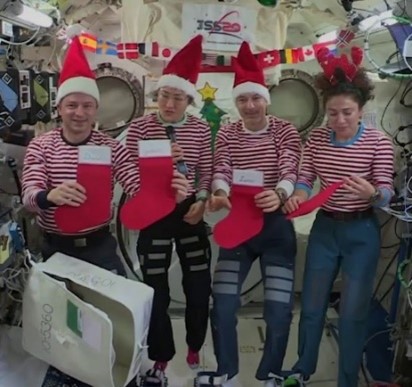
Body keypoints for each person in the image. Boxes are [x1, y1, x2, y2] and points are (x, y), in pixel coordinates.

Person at [21, 36, 188, 387]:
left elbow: (136, 186)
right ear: (59, 108)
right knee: (63, 322)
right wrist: (51, 195)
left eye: (86, 106)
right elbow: (30, 195)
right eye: (71, 105)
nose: (79, 113)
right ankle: (63, 374)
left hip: (98, 247)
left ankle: (102, 375)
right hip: (56, 249)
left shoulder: (110, 147)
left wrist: (167, 186)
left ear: (96, 110)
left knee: (105, 320)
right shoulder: (42, 146)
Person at [282, 47, 394, 387]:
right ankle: (303, 370)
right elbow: (305, 178)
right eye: (332, 113)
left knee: (352, 313)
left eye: (347, 112)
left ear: (361, 110)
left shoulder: (379, 143)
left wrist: (372, 195)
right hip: (325, 228)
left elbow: (386, 191)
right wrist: (299, 194)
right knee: (312, 306)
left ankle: (347, 379)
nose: (339, 120)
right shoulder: (316, 139)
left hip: (361, 231)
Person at [204, 41, 301, 387]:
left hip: (275, 230)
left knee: (278, 310)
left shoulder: (284, 131)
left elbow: (290, 168)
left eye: (255, 98)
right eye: (243, 99)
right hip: (239, 229)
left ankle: (270, 373)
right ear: (236, 102)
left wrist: (279, 194)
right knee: (224, 305)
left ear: (266, 99)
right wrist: (219, 192)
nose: (249, 106)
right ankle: (226, 373)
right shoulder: (228, 132)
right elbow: (222, 168)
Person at [125, 35, 213, 385]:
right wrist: (150, 182)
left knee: (198, 285)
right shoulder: (140, 128)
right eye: (165, 95)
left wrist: (203, 201)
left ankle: (195, 345)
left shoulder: (201, 129)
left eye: (177, 97)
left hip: (190, 213)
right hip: (152, 212)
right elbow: (128, 169)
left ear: (188, 99)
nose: (170, 103)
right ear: (156, 96)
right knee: (154, 289)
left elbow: (206, 169)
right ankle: (161, 354)